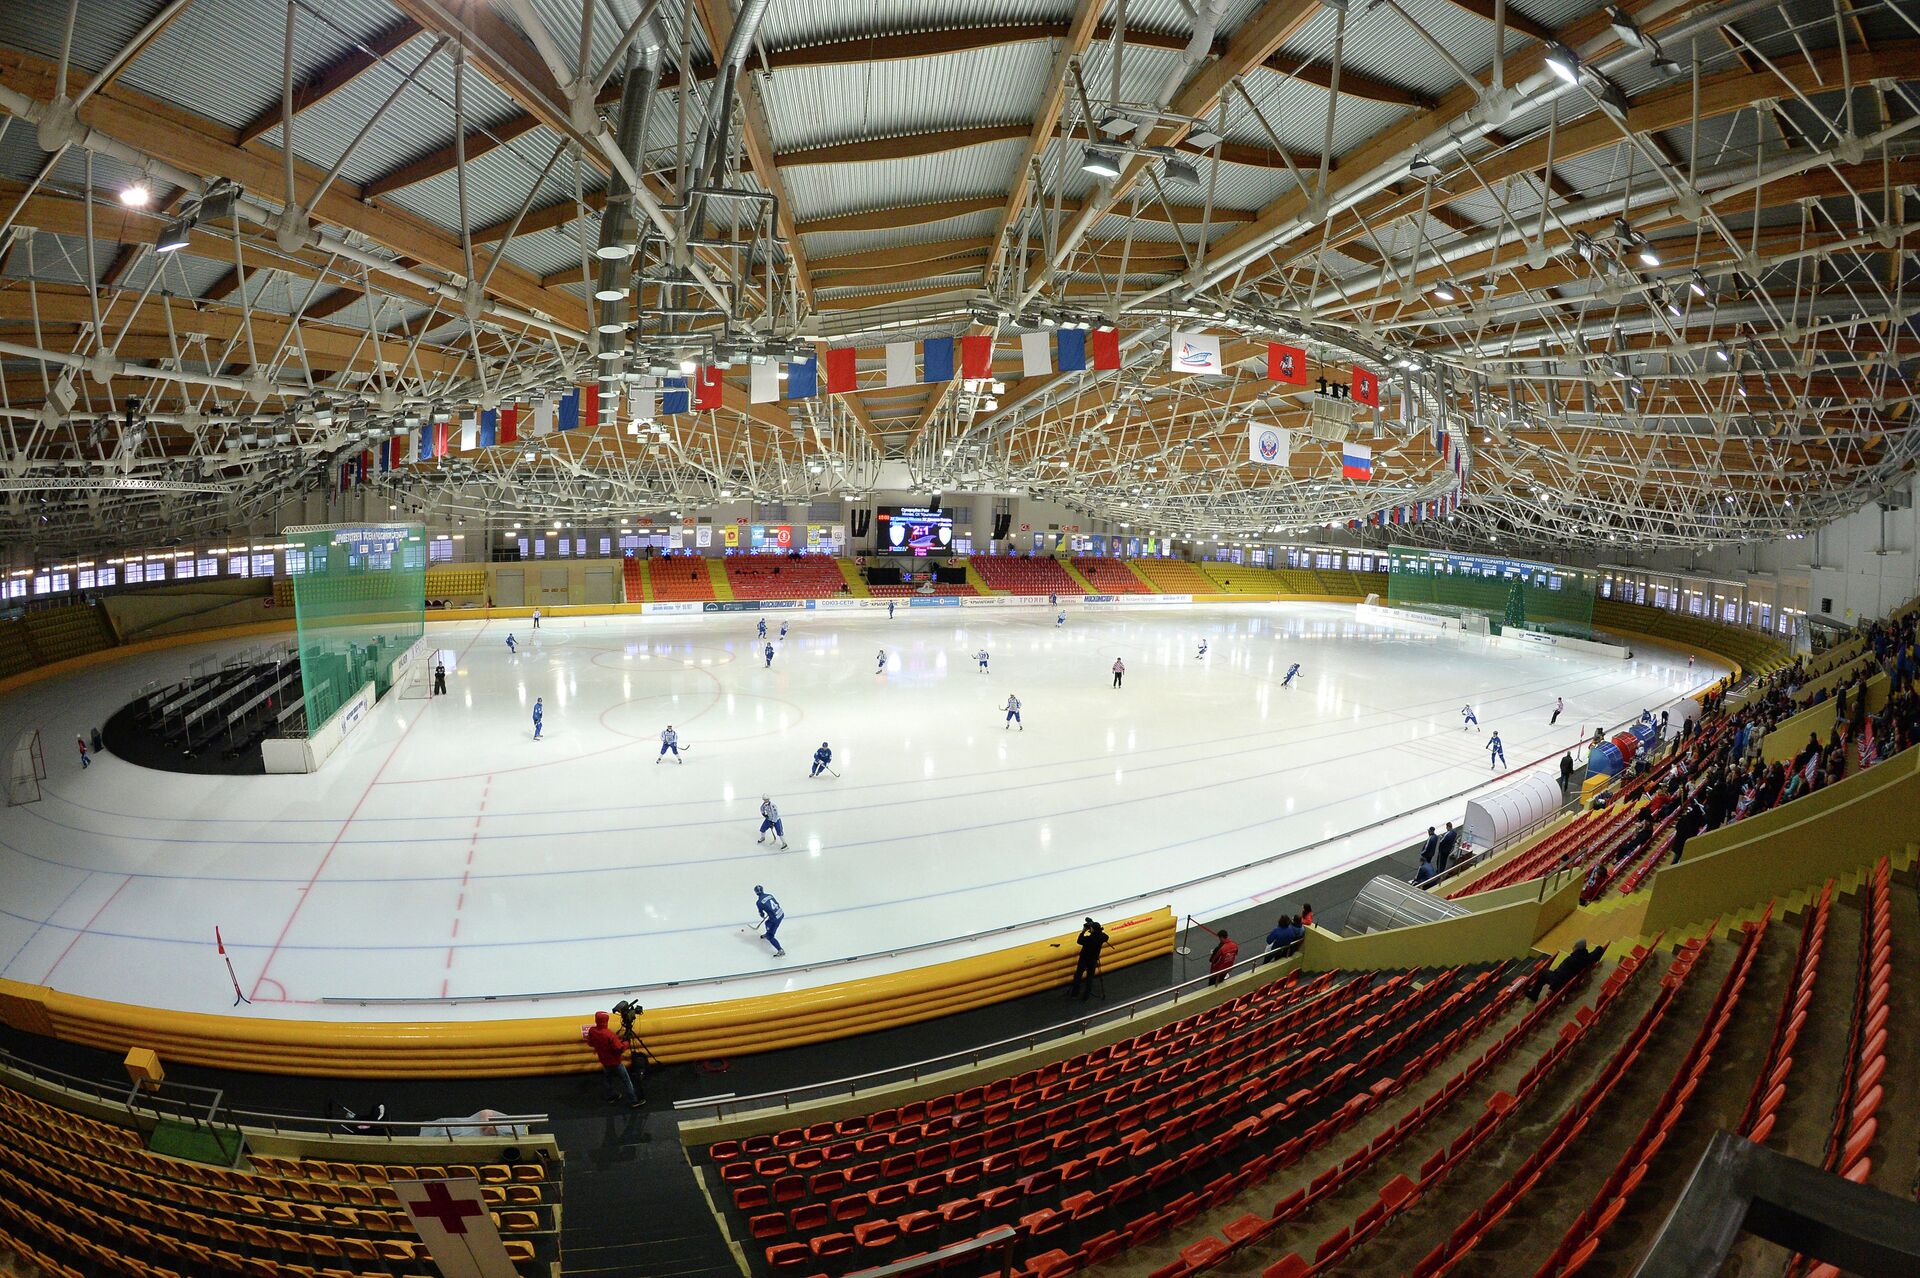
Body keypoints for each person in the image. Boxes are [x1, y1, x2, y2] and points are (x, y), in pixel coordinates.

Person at [583, 1011, 642, 1108]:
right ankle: (634, 1101)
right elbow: (620, 1049)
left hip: (604, 1061)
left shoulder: (592, 1031)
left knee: (608, 1079)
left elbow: (590, 1043)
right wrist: (627, 1043)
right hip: (615, 1062)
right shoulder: (609, 1035)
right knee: (626, 1081)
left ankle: (611, 1096)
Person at [1070, 918, 1107, 999]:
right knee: (1090, 977)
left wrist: (1083, 931)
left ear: (1092, 929)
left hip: (1084, 959)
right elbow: (1105, 936)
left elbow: (1079, 941)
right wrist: (1096, 929)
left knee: (1078, 975)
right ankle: (1086, 995)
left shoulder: (1089, 938)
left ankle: (1075, 993)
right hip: (1093, 959)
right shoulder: (1102, 937)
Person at [753, 885, 786, 957]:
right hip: (780, 913)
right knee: (767, 922)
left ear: (755, 892)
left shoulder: (759, 902)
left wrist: (763, 915)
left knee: (770, 936)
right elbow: (777, 904)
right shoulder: (769, 895)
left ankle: (780, 950)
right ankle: (768, 932)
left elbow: (761, 914)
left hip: (775, 919)